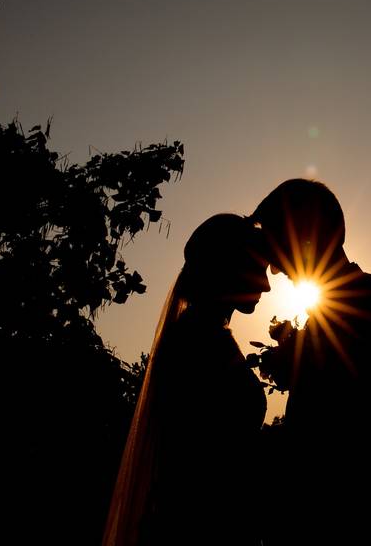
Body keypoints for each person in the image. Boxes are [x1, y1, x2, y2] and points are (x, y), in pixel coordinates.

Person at [251, 179, 371, 542]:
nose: (275, 270)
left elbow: (337, 436)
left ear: (306, 240)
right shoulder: (350, 301)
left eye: (279, 246)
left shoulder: (361, 304)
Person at [102, 214, 270, 546]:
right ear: (227, 268)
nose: (266, 285)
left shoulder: (204, 335)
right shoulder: (200, 342)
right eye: (258, 270)